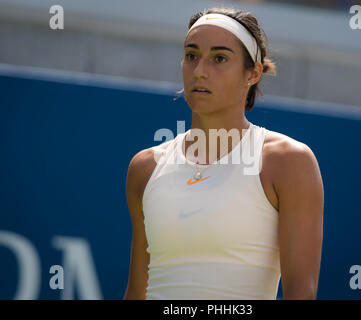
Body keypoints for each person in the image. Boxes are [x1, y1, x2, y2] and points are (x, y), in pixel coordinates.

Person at [124, 7, 324, 300]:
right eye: (191, 55)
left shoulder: (289, 162)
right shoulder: (144, 168)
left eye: (219, 58)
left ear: (253, 73)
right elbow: (136, 293)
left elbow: (301, 293)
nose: (200, 71)